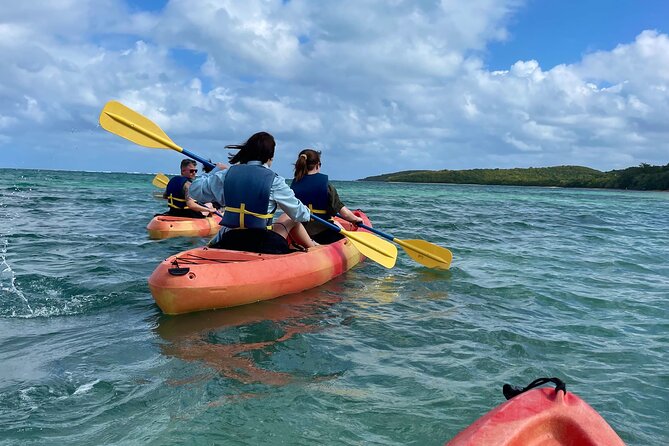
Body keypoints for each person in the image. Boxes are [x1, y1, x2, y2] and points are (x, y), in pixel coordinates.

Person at [189, 132, 316, 254]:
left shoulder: (226, 174)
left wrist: (215, 170)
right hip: (261, 243)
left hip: (230, 239)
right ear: (270, 156)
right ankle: (314, 248)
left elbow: (194, 190)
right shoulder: (275, 181)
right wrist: (307, 212)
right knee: (289, 218)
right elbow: (300, 215)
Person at [281, 148, 363, 244]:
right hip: (323, 234)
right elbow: (344, 213)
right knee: (341, 232)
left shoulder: (294, 185)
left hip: (301, 233)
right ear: (317, 165)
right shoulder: (326, 186)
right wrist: (356, 219)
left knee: (336, 223)